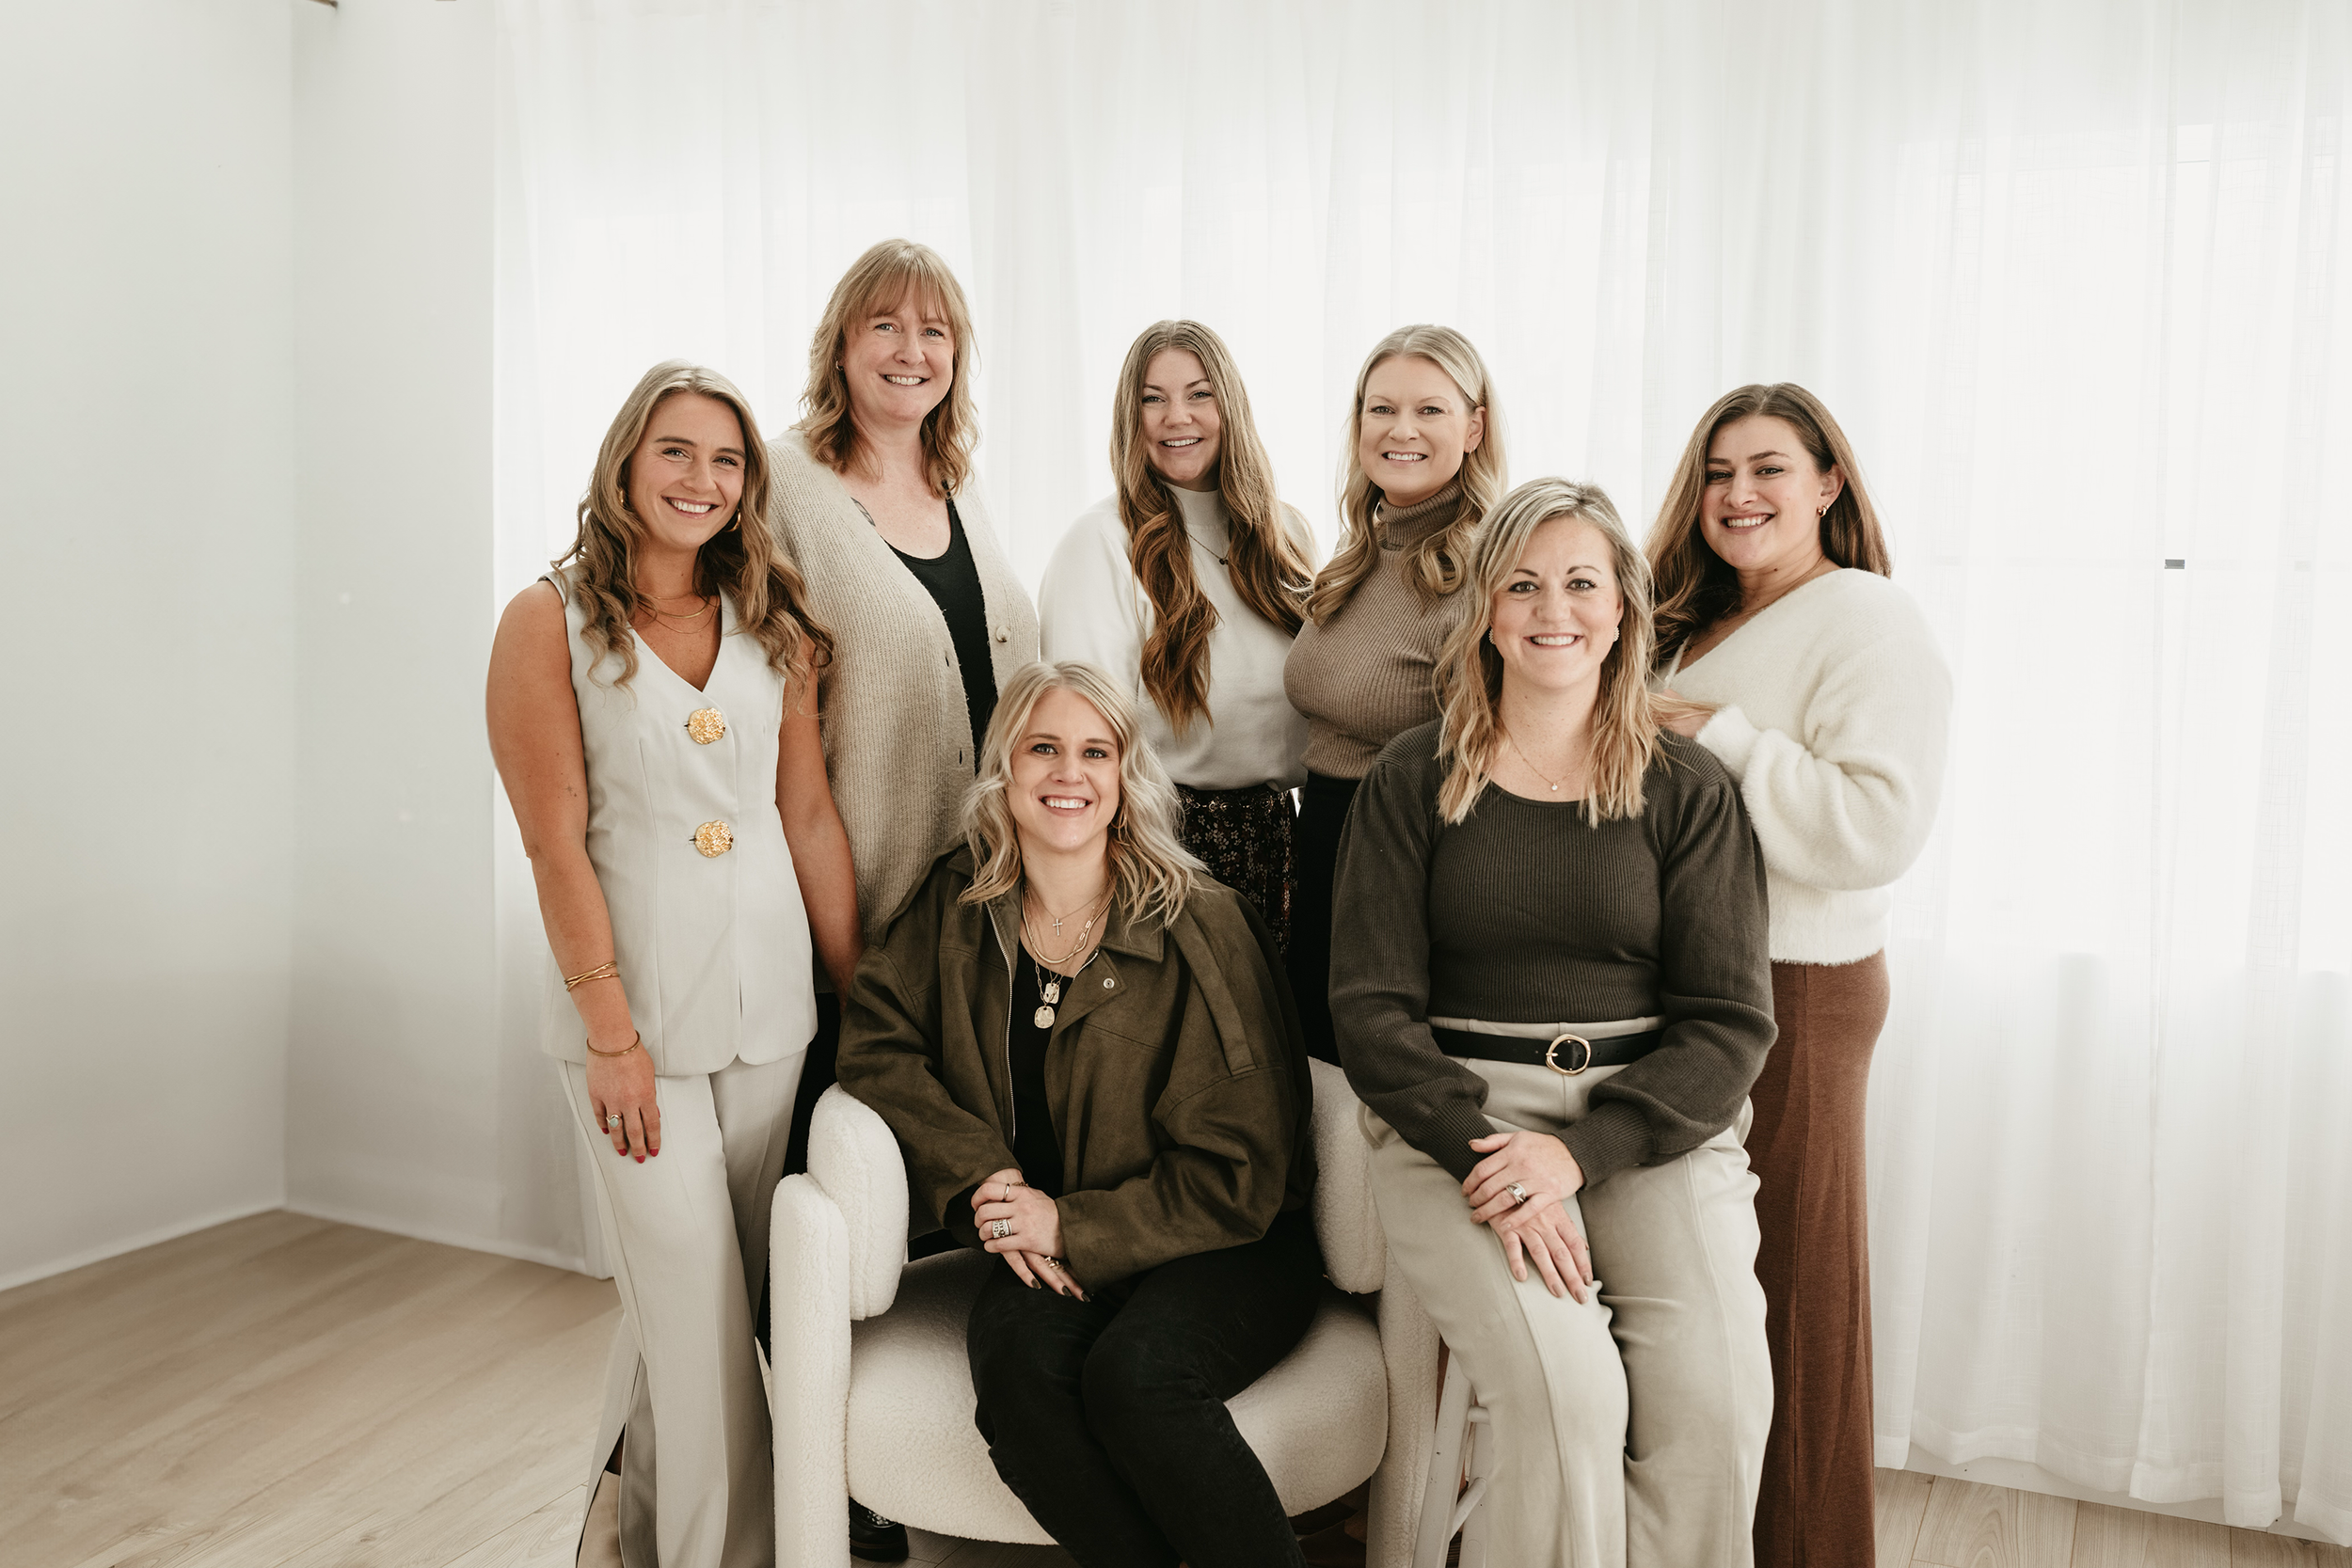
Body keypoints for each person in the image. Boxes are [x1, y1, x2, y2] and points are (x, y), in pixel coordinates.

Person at [1333, 477, 1775, 1568]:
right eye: (1523, 583)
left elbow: (1727, 1023)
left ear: (1621, 608)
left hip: (1645, 1128)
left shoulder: (1688, 788)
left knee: (1715, 1399)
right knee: (1568, 1398)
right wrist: (1495, 1152)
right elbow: (1371, 1010)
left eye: (1581, 582)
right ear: (1485, 607)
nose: (1552, 608)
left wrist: (1577, 1156)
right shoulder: (1409, 779)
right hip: (1462, 1129)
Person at [486, 361, 860, 1568]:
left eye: (727, 459)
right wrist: (611, 1037)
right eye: (676, 452)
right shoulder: (544, 618)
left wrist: (863, 995)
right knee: (693, 1311)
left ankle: (624, 1533)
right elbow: (553, 841)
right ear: (624, 462)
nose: (702, 480)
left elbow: (804, 813)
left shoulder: (776, 616)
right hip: (630, 1023)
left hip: (771, 1012)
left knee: (699, 1310)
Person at [834, 660, 1321, 1568]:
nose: (1069, 774)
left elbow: (1246, 1169)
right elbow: (875, 1042)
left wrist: (1070, 1222)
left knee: (1137, 1377)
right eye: (1044, 748)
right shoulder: (958, 903)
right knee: (1019, 1377)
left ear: (1126, 775)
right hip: (1050, 1240)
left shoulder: (1202, 923)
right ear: (1005, 769)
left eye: (1096, 751)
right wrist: (981, 1174)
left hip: (1224, 1244)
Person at [1645, 384, 1950, 1568]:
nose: (1738, 494)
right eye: (1719, 472)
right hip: (1702, 987)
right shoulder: (1704, 618)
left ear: (1829, 483)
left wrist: (1716, 738)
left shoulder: (1868, 616)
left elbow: (1874, 826)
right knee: (1716, 1304)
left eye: (1769, 468)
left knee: (1794, 1305)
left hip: (1798, 991)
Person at [765, 237, 1039, 1561]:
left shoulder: (963, 487)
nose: (911, 351)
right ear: (842, 341)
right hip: (855, 917)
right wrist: (850, 950)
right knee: (830, 1216)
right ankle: (829, 1495)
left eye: (934, 332)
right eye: (885, 324)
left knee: (948, 1196)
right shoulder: (791, 486)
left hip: (978, 919)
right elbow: (783, 736)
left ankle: (939, 1468)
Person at [1038, 319, 1316, 945]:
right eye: (1152, 399)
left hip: (1282, 847)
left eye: (1198, 393)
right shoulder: (1102, 542)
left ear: (1230, 405)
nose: (1175, 417)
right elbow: (1084, 743)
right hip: (1161, 851)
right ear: (1129, 418)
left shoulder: (1286, 536)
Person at [1282, 325, 1505, 1063]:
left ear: (1475, 427)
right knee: (1318, 1086)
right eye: (1381, 409)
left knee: (1374, 1087)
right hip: (1321, 844)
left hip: (1405, 867)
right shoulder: (1360, 553)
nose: (1400, 429)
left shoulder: (1486, 571)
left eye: (1430, 410)